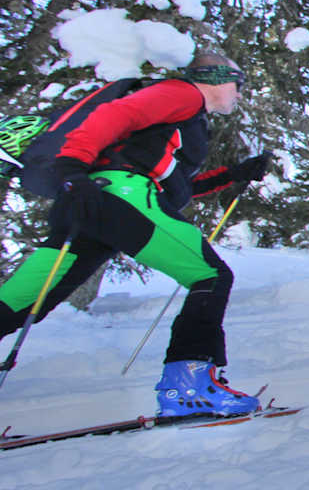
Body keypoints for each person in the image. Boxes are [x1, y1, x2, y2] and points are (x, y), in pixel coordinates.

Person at [0, 51, 269, 419]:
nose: (239, 94)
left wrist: (232, 175)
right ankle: (188, 389)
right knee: (209, 275)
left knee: (25, 299)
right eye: (238, 85)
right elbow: (115, 115)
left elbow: (173, 185)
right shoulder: (183, 93)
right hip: (119, 194)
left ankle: (190, 387)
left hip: (87, 201)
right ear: (217, 78)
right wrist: (71, 166)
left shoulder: (178, 122)